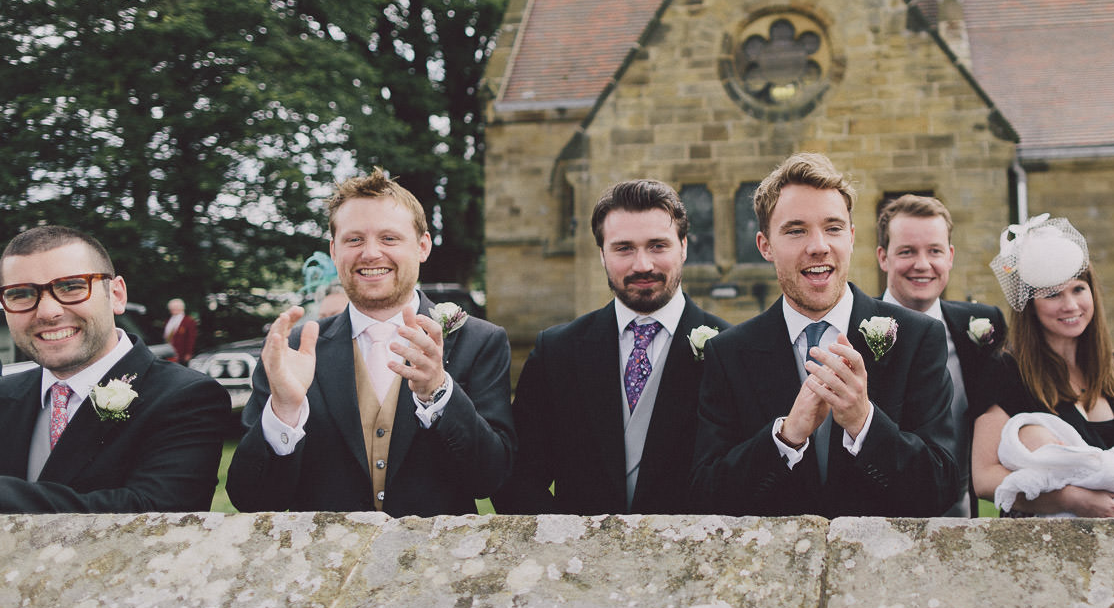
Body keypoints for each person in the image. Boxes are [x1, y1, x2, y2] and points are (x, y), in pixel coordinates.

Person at [228, 169, 514, 516]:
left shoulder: (479, 342)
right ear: (334, 251)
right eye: (354, 240)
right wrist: (284, 414)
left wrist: (439, 394)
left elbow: (492, 479)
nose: (371, 253)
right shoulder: (291, 349)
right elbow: (250, 500)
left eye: (389, 238)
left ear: (423, 246)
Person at [692, 153, 961, 516]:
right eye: (796, 230)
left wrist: (863, 423)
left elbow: (940, 490)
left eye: (833, 228)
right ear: (765, 246)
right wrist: (785, 438)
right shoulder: (728, 353)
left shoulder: (917, 338)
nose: (818, 245)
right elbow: (708, 496)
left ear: (851, 237)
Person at [495, 180, 730, 514]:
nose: (642, 265)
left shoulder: (730, 350)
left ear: (684, 247)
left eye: (657, 246)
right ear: (602, 255)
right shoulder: (557, 352)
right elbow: (516, 476)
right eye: (624, 248)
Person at [0, 226, 230, 511]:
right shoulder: (5, 393)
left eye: (71, 287)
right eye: (20, 294)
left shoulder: (186, 397)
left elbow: (157, 513)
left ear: (117, 295)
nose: (47, 312)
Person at [970, 215, 1114, 518]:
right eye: (1053, 295)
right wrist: (1071, 500)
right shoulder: (1007, 372)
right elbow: (983, 479)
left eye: (1078, 289)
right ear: (1029, 305)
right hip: (1046, 541)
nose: (1071, 305)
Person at [875, 194, 1006, 516]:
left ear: (949, 256)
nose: (922, 264)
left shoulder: (981, 327)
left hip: (963, 514)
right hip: (878, 519)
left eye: (934, 251)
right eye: (907, 252)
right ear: (883, 258)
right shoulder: (856, 331)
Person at [163, 298, 199, 363]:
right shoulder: (168, 320)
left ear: (182, 308)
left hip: (181, 354)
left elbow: (191, 338)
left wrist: (189, 353)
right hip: (168, 352)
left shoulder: (189, 321)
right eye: (171, 307)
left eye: (176, 307)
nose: (173, 309)